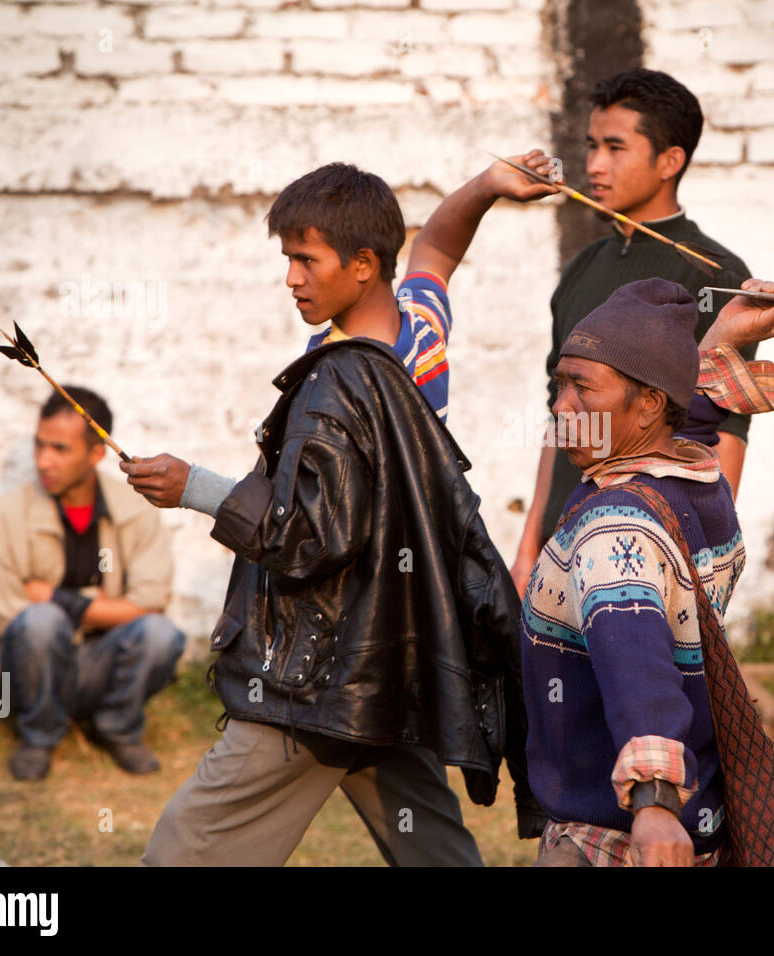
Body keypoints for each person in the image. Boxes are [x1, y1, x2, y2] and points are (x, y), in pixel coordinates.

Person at [123, 160, 553, 866]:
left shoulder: (343, 380)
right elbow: (437, 247)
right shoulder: (419, 330)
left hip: (328, 663)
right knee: (432, 846)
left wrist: (192, 486)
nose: (291, 277)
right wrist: (486, 187)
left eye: (305, 259)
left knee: (188, 846)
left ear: (362, 265)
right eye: (288, 258)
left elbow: (314, 533)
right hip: (400, 644)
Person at [522, 277, 774, 867]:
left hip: (611, 841)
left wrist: (654, 804)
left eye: (582, 388)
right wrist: (720, 341)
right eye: (558, 385)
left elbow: (637, 663)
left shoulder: (617, 527)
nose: (561, 407)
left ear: (647, 406)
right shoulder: (689, 482)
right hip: (698, 829)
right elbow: (684, 418)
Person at [510, 68, 757, 597]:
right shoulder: (582, 268)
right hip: (562, 542)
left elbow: (725, 434)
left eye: (616, 148)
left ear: (670, 161)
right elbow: (558, 417)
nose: (595, 165)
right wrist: (529, 547)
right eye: (592, 146)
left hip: (643, 550)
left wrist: (698, 573)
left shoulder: (714, 275)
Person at [0, 386, 184, 781]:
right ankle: (38, 735)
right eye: (39, 446)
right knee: (39, 623)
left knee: (161, 634)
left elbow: (151, 604)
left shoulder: (136, 509)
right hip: (30, 669)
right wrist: (106, 609)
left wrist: (59, 600)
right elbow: (9, 616)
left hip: (101, 663)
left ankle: (117, 727)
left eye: (59, 449)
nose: (43, 460)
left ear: (96, 454)